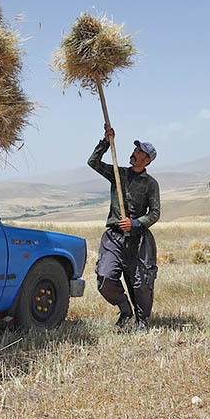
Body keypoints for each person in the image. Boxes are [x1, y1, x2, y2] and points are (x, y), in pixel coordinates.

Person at [88, 125, 160, 330]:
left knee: (141, 283)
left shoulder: (150, 184)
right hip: (113, 237)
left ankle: (142, 320)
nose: (134, 153)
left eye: (139, 152)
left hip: (138, 239)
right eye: (135, 149)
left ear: (147, 160)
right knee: (105, 276)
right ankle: (124, 309)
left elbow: (155, 213)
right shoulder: (118, 174)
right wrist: (105, 141)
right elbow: (92, 162)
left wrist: (135, 223)